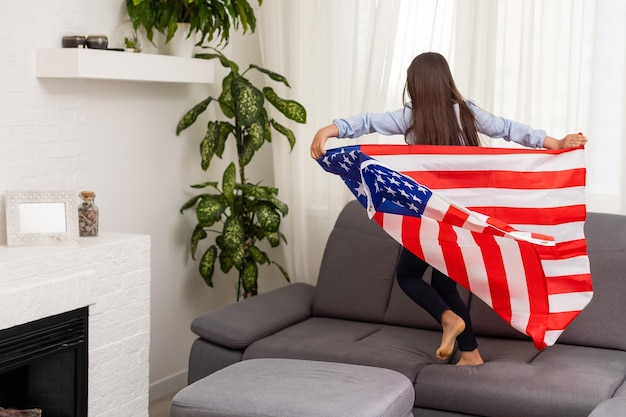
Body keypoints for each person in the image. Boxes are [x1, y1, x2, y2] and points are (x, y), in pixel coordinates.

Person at [310, 52, 587, 366]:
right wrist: (554, 143)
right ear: (446, 81)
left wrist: (329, 130)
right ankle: (470, 354)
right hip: (459, 217)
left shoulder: (410, 116)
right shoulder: (467, 112)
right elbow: (508, 128)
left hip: (428, 213)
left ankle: (446, 318)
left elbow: (369, 122)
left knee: (407, 276)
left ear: (414, 85)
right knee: (443, 282)